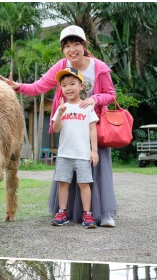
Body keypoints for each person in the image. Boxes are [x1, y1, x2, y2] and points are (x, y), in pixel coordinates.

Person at [0, 25, 118, 227]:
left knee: (97, 170)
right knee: (67, 172)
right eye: (67, 45)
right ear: (63, 49)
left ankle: (105, 213)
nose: (72, 49)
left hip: (92, 125)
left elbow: (111, 94)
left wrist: (95, 99)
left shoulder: (98, 67)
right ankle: (67, 212)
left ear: (84, 45)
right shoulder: (62, 65)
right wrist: (19, 87)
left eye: (76, 44)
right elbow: (39, 86)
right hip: (70, 126)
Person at [49, 67, 100, 228]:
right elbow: (56, 129)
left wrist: (94, 151)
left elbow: (93, 130)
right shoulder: (61, 108)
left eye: (72, 84)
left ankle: (87, 214)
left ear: (81, 86)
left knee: (84, 184)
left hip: (83, 155)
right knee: (63, 183)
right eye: (64, 85)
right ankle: (62, 212)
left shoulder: (87, 107)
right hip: (64, 154)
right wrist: (60, 112)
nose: (68, 88)